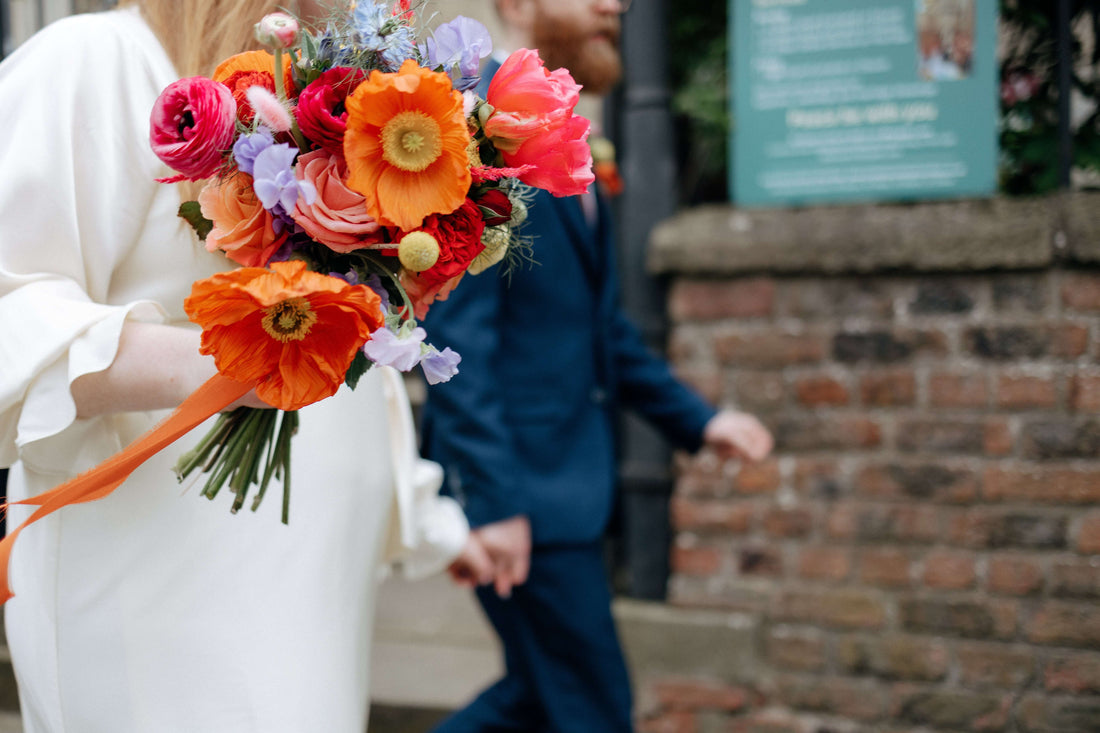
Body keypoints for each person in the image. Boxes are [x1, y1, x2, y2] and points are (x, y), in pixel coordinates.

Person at [0, 1, 494, 731]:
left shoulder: (329, 89)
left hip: (313, 572)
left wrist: (433, 521)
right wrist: (229, 359)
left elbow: (358, 367)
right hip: (158, 575)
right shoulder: (94, 61)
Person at [419, 0, 774, 730]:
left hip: (565, 490)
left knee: (540, 699)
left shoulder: (568, 143)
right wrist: (495, 502)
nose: (614, 4)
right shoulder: (474, 135)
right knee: (593, 706)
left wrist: (701, 421)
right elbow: (460, 343)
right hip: (522, 497)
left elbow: (598, 328)